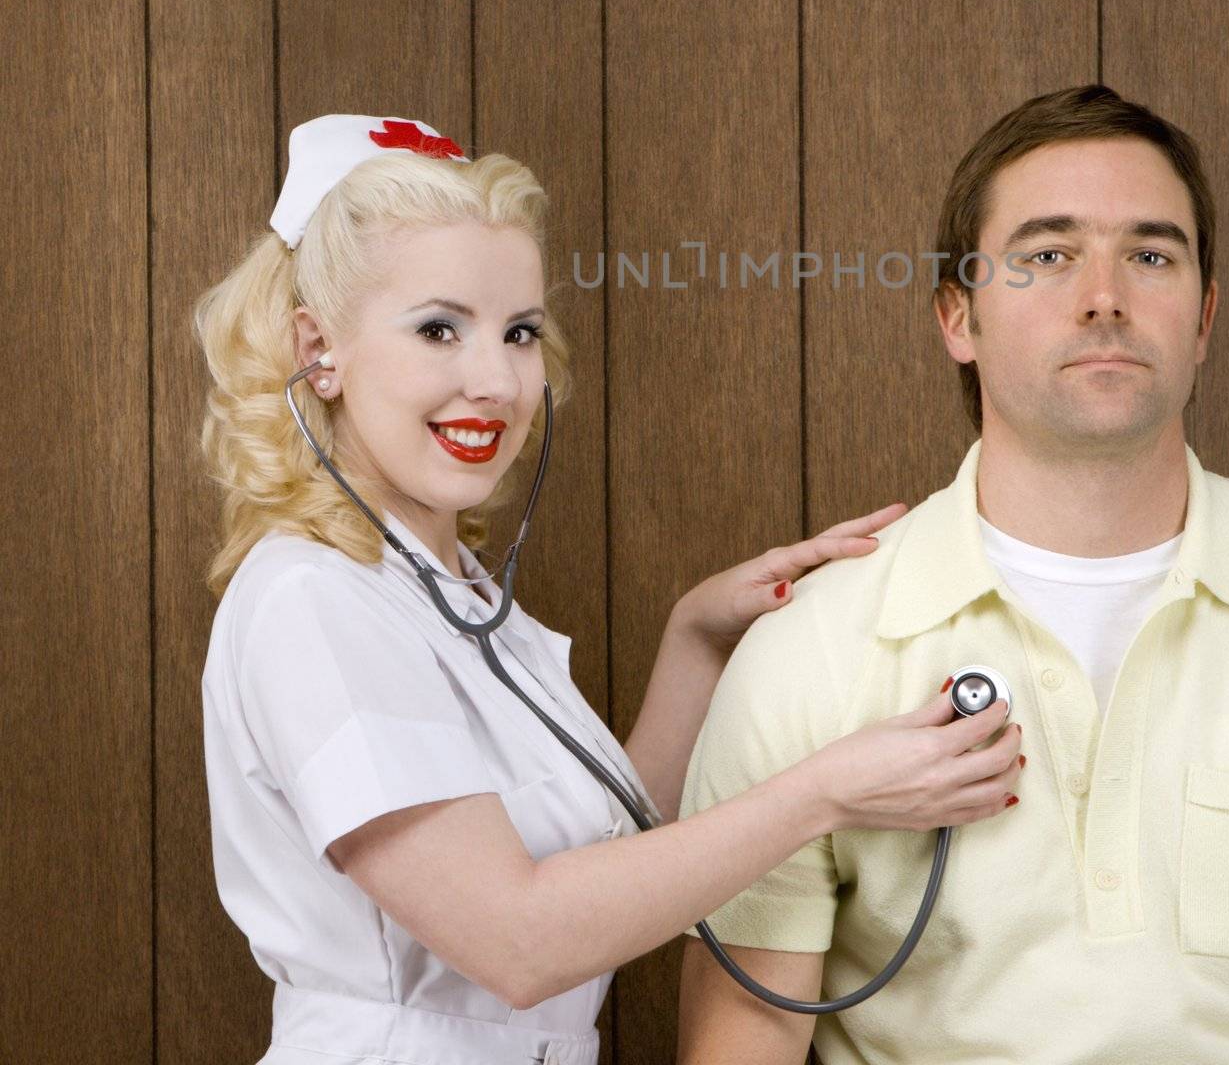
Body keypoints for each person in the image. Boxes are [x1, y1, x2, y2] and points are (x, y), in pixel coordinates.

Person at [676, 85, 1229, 1065]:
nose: (1102, 295)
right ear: (955, 315)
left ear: (1203, 318)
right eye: (1048, 255)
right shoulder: (813, 644)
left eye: (1149, 255)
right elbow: (740, 1040)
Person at [197, 113, 1023, 1065]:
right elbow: (521, 940)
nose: (497, 382)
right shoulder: (313, 600)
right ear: (318, 350)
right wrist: (828, 795)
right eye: (438, 329)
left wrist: (696, 641)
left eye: (519, 333)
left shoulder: (445, 594)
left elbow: (604, 866)